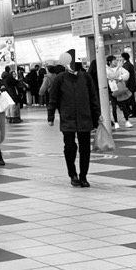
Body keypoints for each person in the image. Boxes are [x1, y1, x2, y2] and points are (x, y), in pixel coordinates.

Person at [47, 52, 100, 188]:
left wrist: (97, 115)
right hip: (67, 118)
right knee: (70, 147)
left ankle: (83, 176)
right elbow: (53, 98)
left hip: (85, 118)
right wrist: (50, 116)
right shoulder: (60, 79)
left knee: (85, 148)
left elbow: (93, 97)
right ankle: (72, 174)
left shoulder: (86, 77)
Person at [106, 55, 134, 127]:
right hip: (112, 90)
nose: (116, 62)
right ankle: (116, 122)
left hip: (120, 89)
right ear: (109, 62)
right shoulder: (106, 69)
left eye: (116, 60)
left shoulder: (120, 68)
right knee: (114, 107)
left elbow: (127, 74)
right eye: (114, 60)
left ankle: (127, 121)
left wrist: (120, 78)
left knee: (124, 106)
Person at [121, 51, 136, 117]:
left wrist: (124, 85)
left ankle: (130, 112)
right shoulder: (130, 65)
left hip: (128, 86)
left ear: (124, 58)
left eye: (121, 57)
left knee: (126, 100)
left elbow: (126, 77)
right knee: (132, 100)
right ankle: (133, 113)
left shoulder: (126, 65)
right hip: (132, 85)